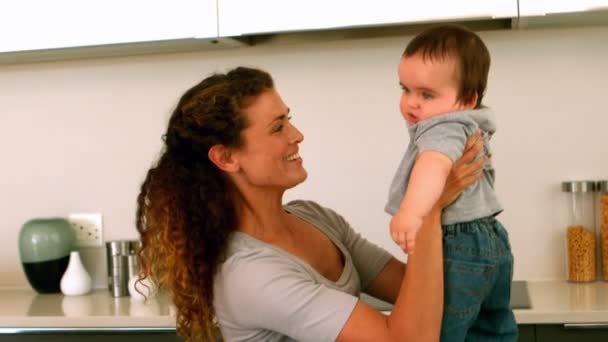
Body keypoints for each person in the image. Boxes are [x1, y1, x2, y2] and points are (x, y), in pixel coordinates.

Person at [135, 66, 485, 341]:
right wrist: (427, 209)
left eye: (288, 118)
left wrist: (439, 176)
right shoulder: (250, 274)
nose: (297, 135)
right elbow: (409, 339)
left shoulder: (315, 219)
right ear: (226, 157)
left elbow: (422, 298)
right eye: (277, 128)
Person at [385, 25, 517, 341]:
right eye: (405, 89)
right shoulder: (472, 120)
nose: (412, 103)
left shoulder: (442, 126)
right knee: (492, 331)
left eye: (426, 94)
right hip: (492, 239)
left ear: (467, 98)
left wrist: (412, 212)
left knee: (440, 332)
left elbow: (434, 165)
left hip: (457, 244)